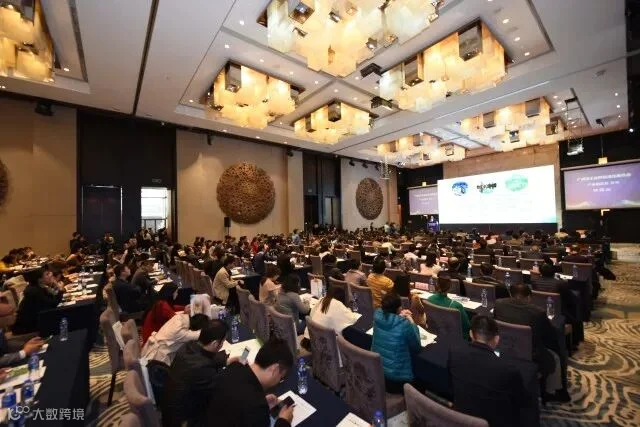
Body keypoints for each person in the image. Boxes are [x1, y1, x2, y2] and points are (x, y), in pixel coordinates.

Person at [448, 316, 527, 427]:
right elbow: (520, 403)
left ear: (471, 334)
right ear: (497, 339)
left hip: (461, 417)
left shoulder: (455, 354)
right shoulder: (509, 370)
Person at [494, 284, 569, 401]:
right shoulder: (538, 313)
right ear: (529, 297)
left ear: (510, 295)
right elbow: (550, 336)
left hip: (503, 348)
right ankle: (551, 392)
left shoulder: (499, 304)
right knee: (555, 357)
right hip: (531, 355)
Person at [204, 338, 295, 427]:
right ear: (275, 369)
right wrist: (284, 421)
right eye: (281, 377)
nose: (279, 381)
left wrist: (262, 400)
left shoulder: (235, 366)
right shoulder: (257, 409)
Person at [162, 320, 230, 427]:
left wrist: (227, 360)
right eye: (223, 342)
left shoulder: (188, 346)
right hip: (185, 420)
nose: (222, 345)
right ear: (215, 344)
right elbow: (221, 388)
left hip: (172, 411)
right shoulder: (202, 369)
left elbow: (205, 357)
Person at [371, 293, 421, 394]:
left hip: (377, 372)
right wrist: (411, 321)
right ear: (399, 308)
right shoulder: (404, 325)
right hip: (397, 379)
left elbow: (389, 318)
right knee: (421, 381)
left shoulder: (377, 316)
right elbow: (416, 346)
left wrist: (398, 316)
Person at [142, 313, 210, 365]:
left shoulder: (178, 316)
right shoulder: (180, 332)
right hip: (157, 357)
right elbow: (203, 333)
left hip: (152, 349)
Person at [12, 268, 65, 335]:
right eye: (47, 274)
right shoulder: (33, 291)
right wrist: (60, 289)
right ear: (40, 279)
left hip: (38, 320)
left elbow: (53, 297)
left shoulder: (39, 287)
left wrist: (56, 285)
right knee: (64, 321)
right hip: (27, 327)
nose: (51, 274)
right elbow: (53, 303)